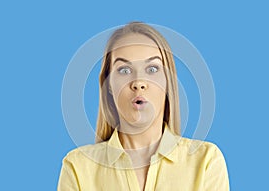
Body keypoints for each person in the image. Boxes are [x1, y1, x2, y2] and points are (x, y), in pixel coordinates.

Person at [57, 22, 229, 191]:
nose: (138, 82)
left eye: (152, 69)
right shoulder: (77, 167)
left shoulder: (206, 161)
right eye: (124, 70)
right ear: (108, 85)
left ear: (168, 81)